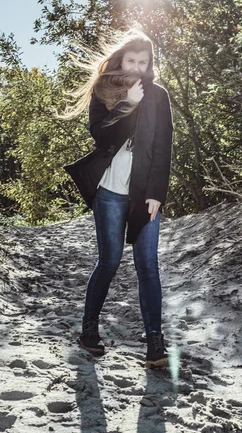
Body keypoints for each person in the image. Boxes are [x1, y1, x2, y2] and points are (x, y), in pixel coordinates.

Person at [62, 30, 173, 368]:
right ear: (121, 60)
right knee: (108, 262)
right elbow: (101, 135)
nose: (138, 67)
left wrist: (157, 193)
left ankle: (155, 342)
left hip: (144, 195)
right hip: (109, 192)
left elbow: (164, 147)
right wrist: (129, 103)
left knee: (148, 267)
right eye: (132, 60)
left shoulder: (159, 95)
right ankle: (89, 331)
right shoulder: (105, 91)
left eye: (144, 62)